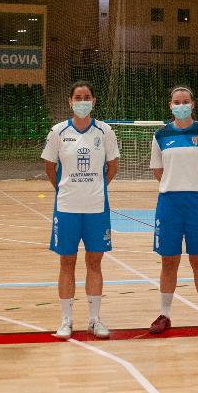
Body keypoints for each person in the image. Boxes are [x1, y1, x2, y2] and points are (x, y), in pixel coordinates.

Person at [41, 81, 119, 340]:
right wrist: (66, 189)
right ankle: (66, 319)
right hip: (66, 208)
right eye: (78, 97)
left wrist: (96, 188)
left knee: (94, 263)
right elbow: (50, 167)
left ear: (93, 101)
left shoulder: (105, 131)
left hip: (97, 208)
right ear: (70, 101)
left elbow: (113, 166)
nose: (82, 101)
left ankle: (95, 319)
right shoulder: (58, 132)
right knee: (67, 263)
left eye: (87, 97)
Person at [148, 86, 198, 335]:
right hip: (169, 204)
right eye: (177, 102)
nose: (181, 105)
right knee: (169, 261)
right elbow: (158, 171)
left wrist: (192, 185)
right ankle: (164, 315)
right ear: (170, 105)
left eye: (186, 101)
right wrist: (175, 185)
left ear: (193, 104)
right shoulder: (160, 135)